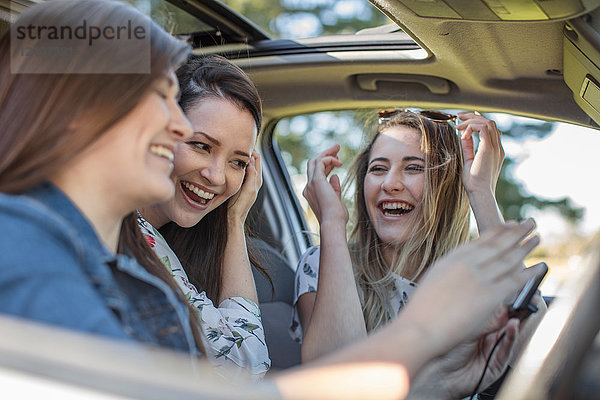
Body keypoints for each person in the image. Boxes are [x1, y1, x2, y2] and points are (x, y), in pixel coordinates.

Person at [0, 2, 545, 398]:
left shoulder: (122, 260)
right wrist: (420, 333)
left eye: (239, 159)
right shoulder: (20, 244)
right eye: (162, 98)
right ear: (81, 110)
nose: (174, 122)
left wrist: (442, 378)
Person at [0, 0, 205, 355]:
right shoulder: (13, 238)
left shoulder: (135, 272)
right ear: (75, 105)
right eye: (161, 95)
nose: (182, 126)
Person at [292, 109, 546, 396]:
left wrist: (481, 191)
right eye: (378, 169)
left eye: (413, 168)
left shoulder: (468, 273)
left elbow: (544, 358)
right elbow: (336, 387)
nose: (390, 183)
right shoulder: (324, 263)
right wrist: (332, 225)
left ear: (446, 186)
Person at [137, 55, 270, 378]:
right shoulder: (125, 233)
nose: (216, 176)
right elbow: (246, 364)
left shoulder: (169, 241)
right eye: (201, 145)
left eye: (237, 162)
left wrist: (234, 219)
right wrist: (235, 222)